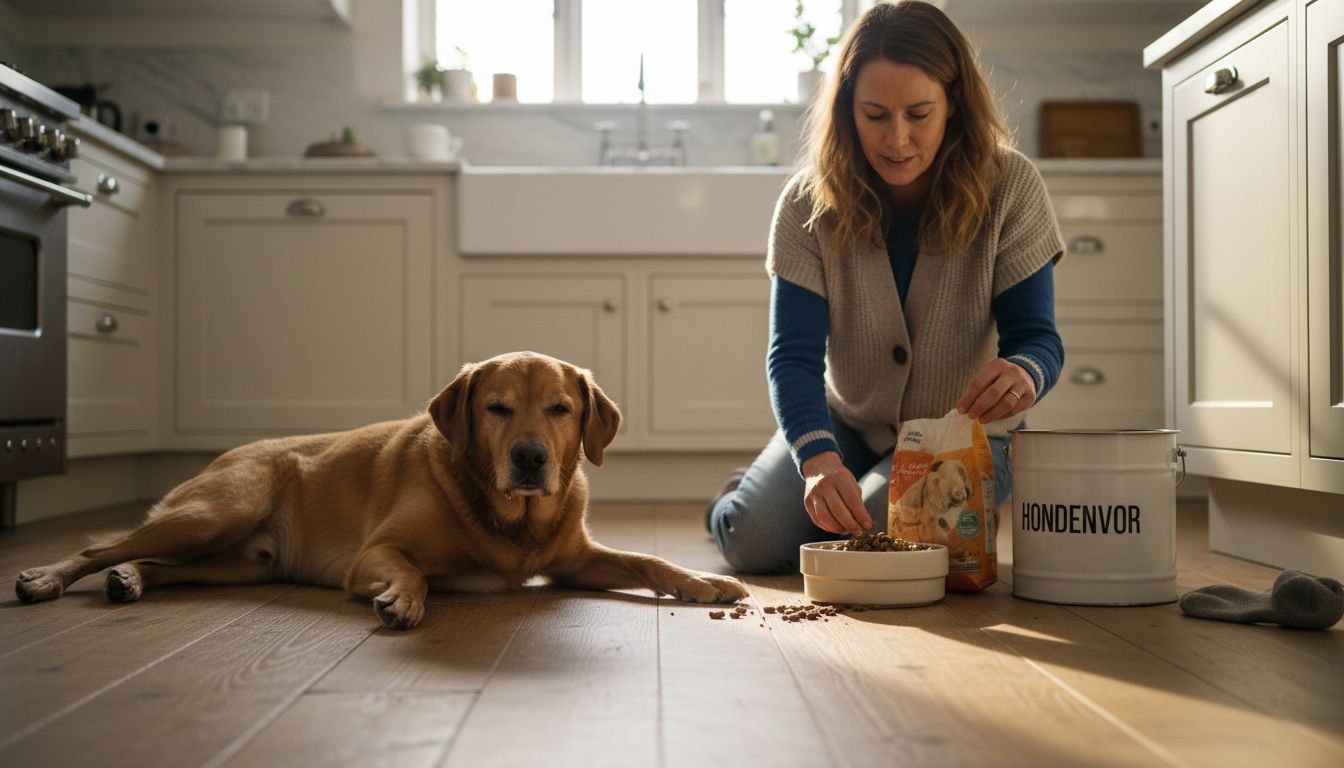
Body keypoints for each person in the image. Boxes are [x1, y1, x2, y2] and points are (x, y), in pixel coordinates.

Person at [707, 0, 1065, 574]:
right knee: (750, 543)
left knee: (882, 535)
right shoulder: (807, 203)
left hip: (964, 439)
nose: (897, 139)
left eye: (919, 114)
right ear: (848, 110)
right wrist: (818, 460)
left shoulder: (1012, 187)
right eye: (875, 115)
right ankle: (740, 499)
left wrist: (1025, 371)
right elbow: (792, 358)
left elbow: (1039, 340)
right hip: (845, 424)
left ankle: (787, 492)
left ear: (955, 106)